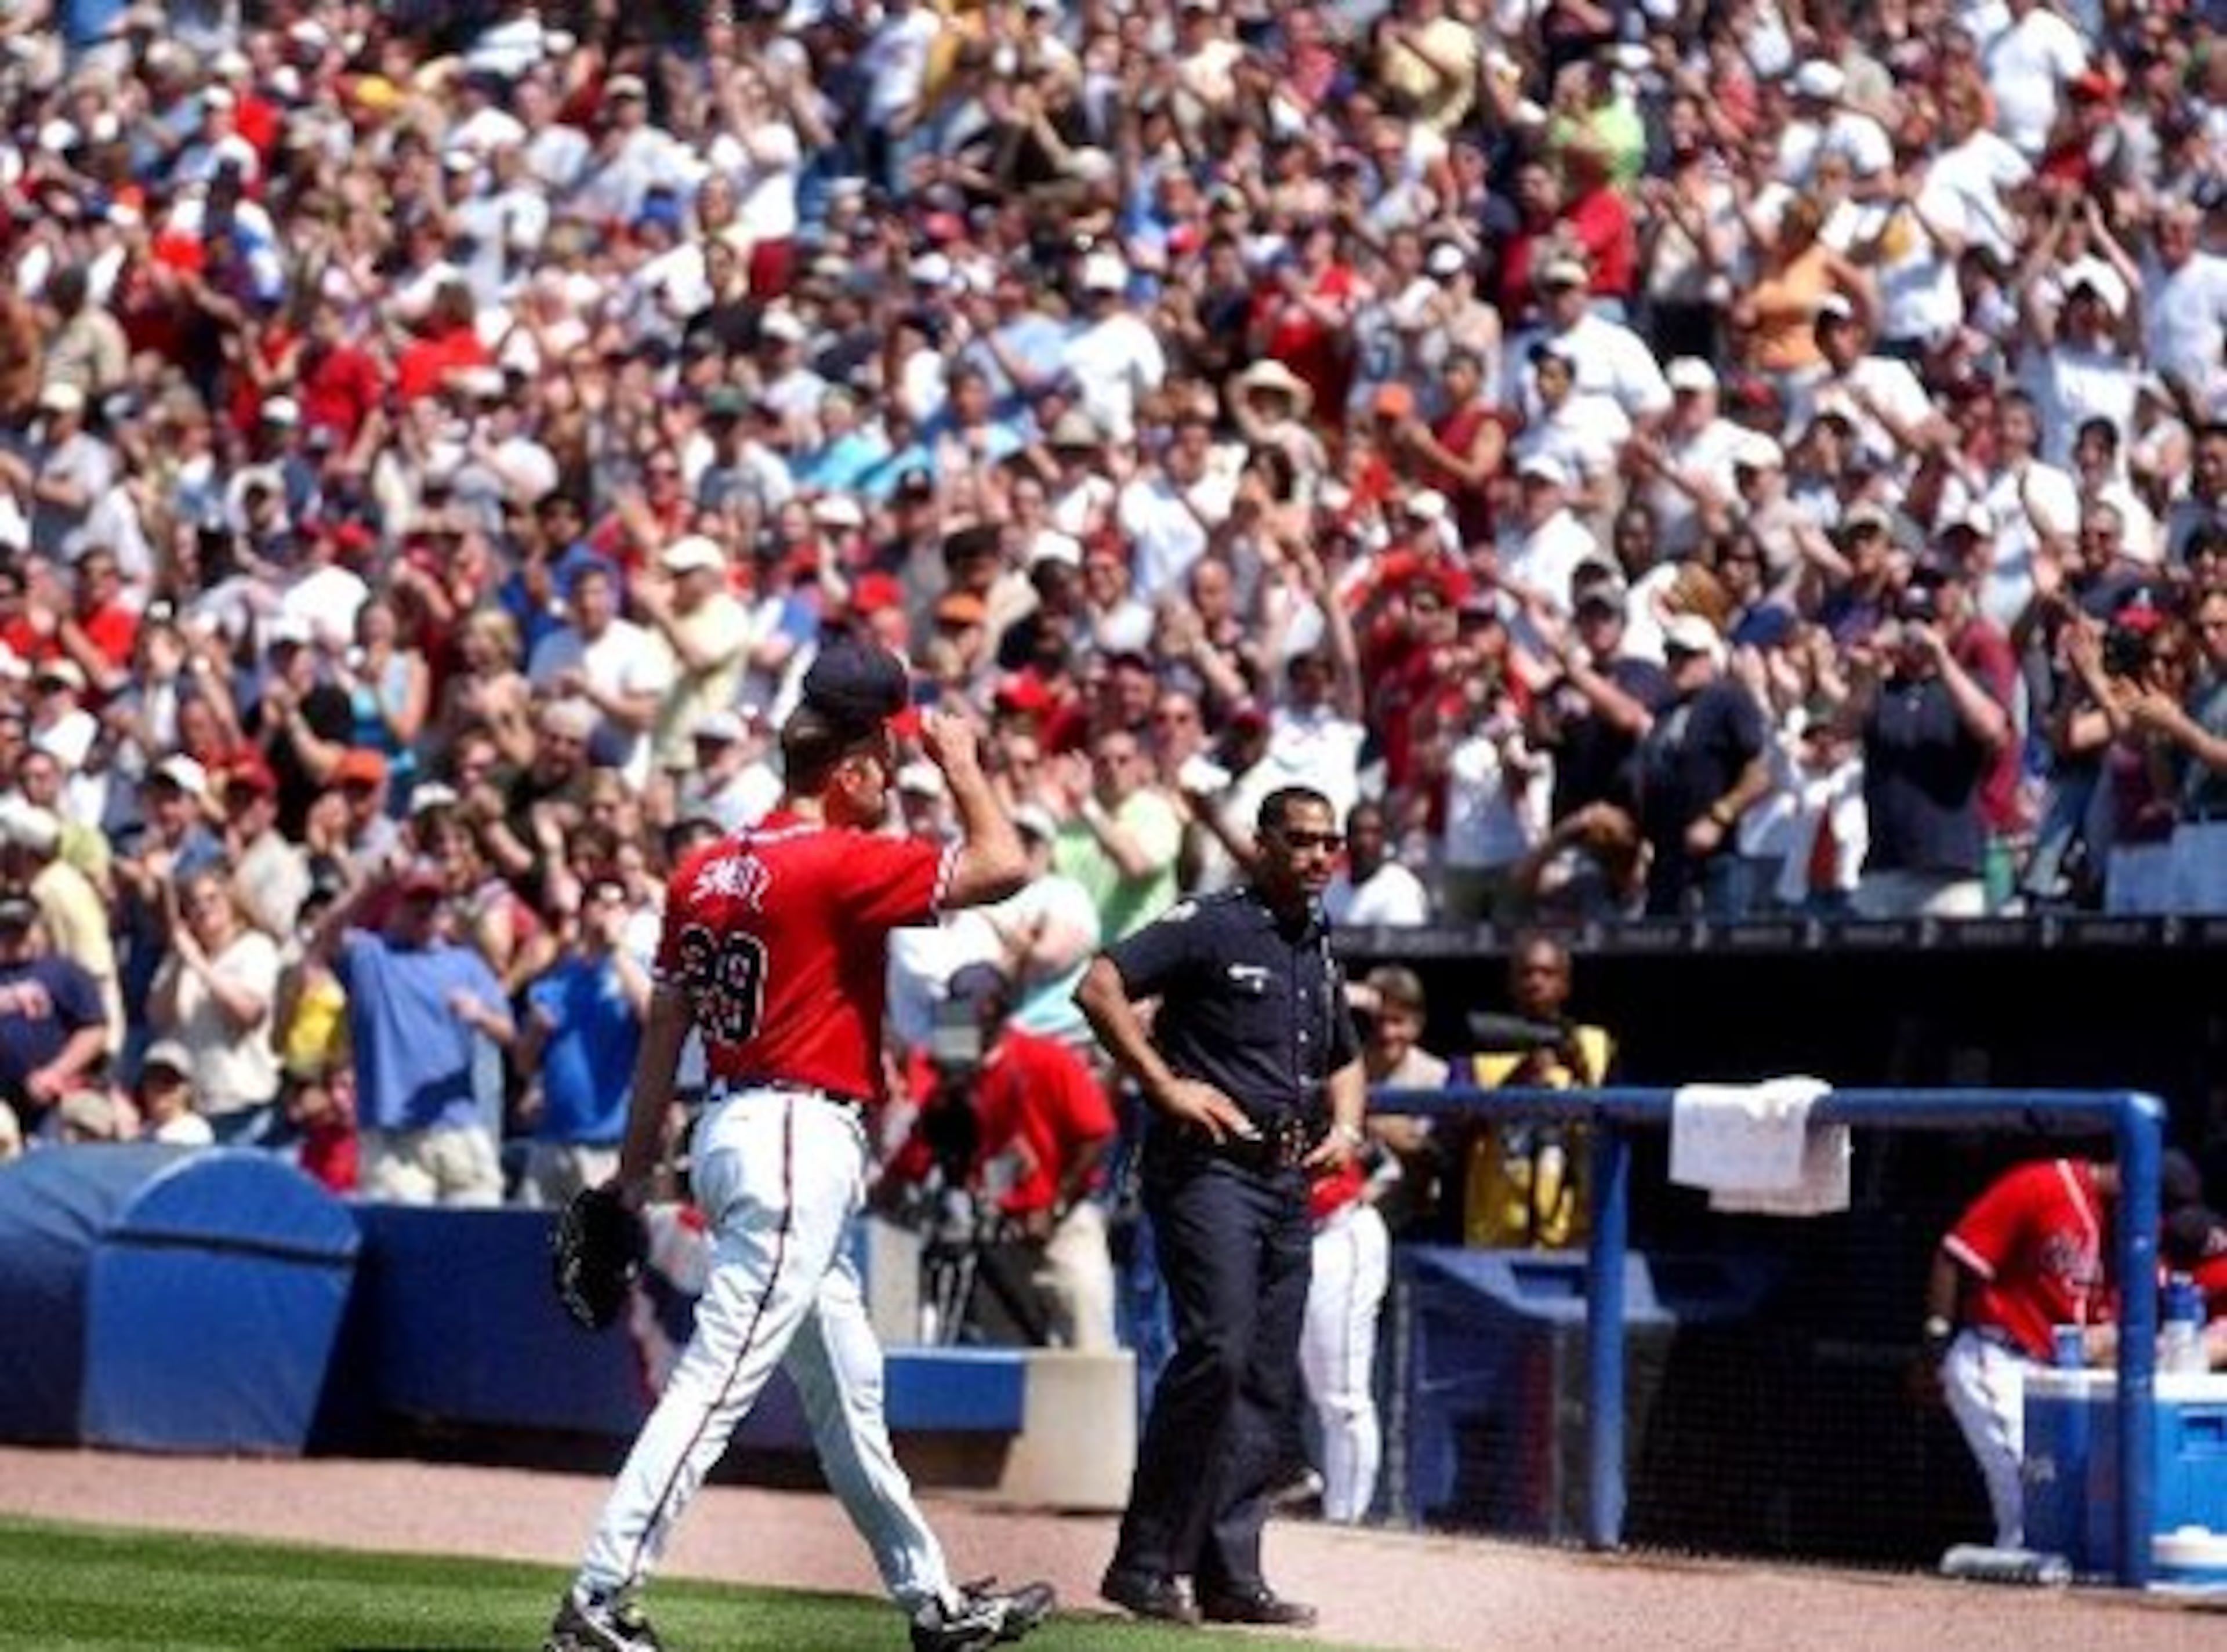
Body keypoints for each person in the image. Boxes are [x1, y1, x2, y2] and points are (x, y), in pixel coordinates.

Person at [546, 648, 1056, 1652]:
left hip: (732, 1121)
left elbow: (664, 1033)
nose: (895, 784)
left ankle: (933, 1603)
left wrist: (632, 1171)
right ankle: (599, 1598)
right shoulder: (837, 859)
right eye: (888, 768)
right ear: (854, 767)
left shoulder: (702, 869)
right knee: (718, 1374)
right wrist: (961, 763)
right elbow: (1005, 864)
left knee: (848, 1387)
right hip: (793, 1135)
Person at [1079, 785, 1365, 1629]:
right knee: (1218, 1348)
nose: (1318, 857)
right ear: (1263, 842)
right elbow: (1099, 986)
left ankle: (1230, 1572)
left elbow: (1345, 1054)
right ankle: (1144, 1562)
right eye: (1302, 840)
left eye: (1330, 843)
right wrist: (1164, 1085)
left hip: (1287, 1180)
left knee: (1265, 1376)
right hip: (1209, 1169)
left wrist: (1347, 1125)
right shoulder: (1212, 921)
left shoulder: (1315, 941)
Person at [1922, 1154, 2121, 1549]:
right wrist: (1936, 1345)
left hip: (2057, 1370)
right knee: (2032, 1498)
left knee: (2065, 1499)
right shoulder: (2041, 1185)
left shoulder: (2124, 1232)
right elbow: (1955, 1253)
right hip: (1998, 1356)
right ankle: (2011, 1604)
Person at [1458, 931, 1615, 1250]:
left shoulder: (1597, 1046)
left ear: (1566, 984)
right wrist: (1517, 1079)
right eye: (1526, 973)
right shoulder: (1479, 1053)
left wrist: (1581, 1073)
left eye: (1547, 973)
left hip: (1572, 1232)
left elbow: (1619, 1126)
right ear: (1511, 983)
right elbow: (1454, 1134)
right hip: (1496, 1233)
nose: (1535, 982)